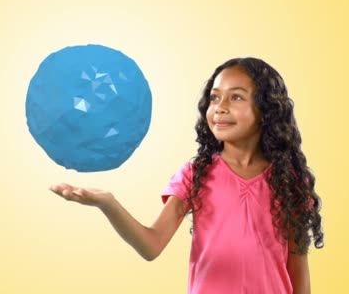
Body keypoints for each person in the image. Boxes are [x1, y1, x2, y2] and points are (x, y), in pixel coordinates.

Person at [49, 57, 324, 294]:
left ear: (266, 110)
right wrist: (108, 203)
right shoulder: (196, 176)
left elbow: (298, 270)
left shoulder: (289, 181)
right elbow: (151, 245)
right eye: (215, 97)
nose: (221, 107)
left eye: (236, 97)